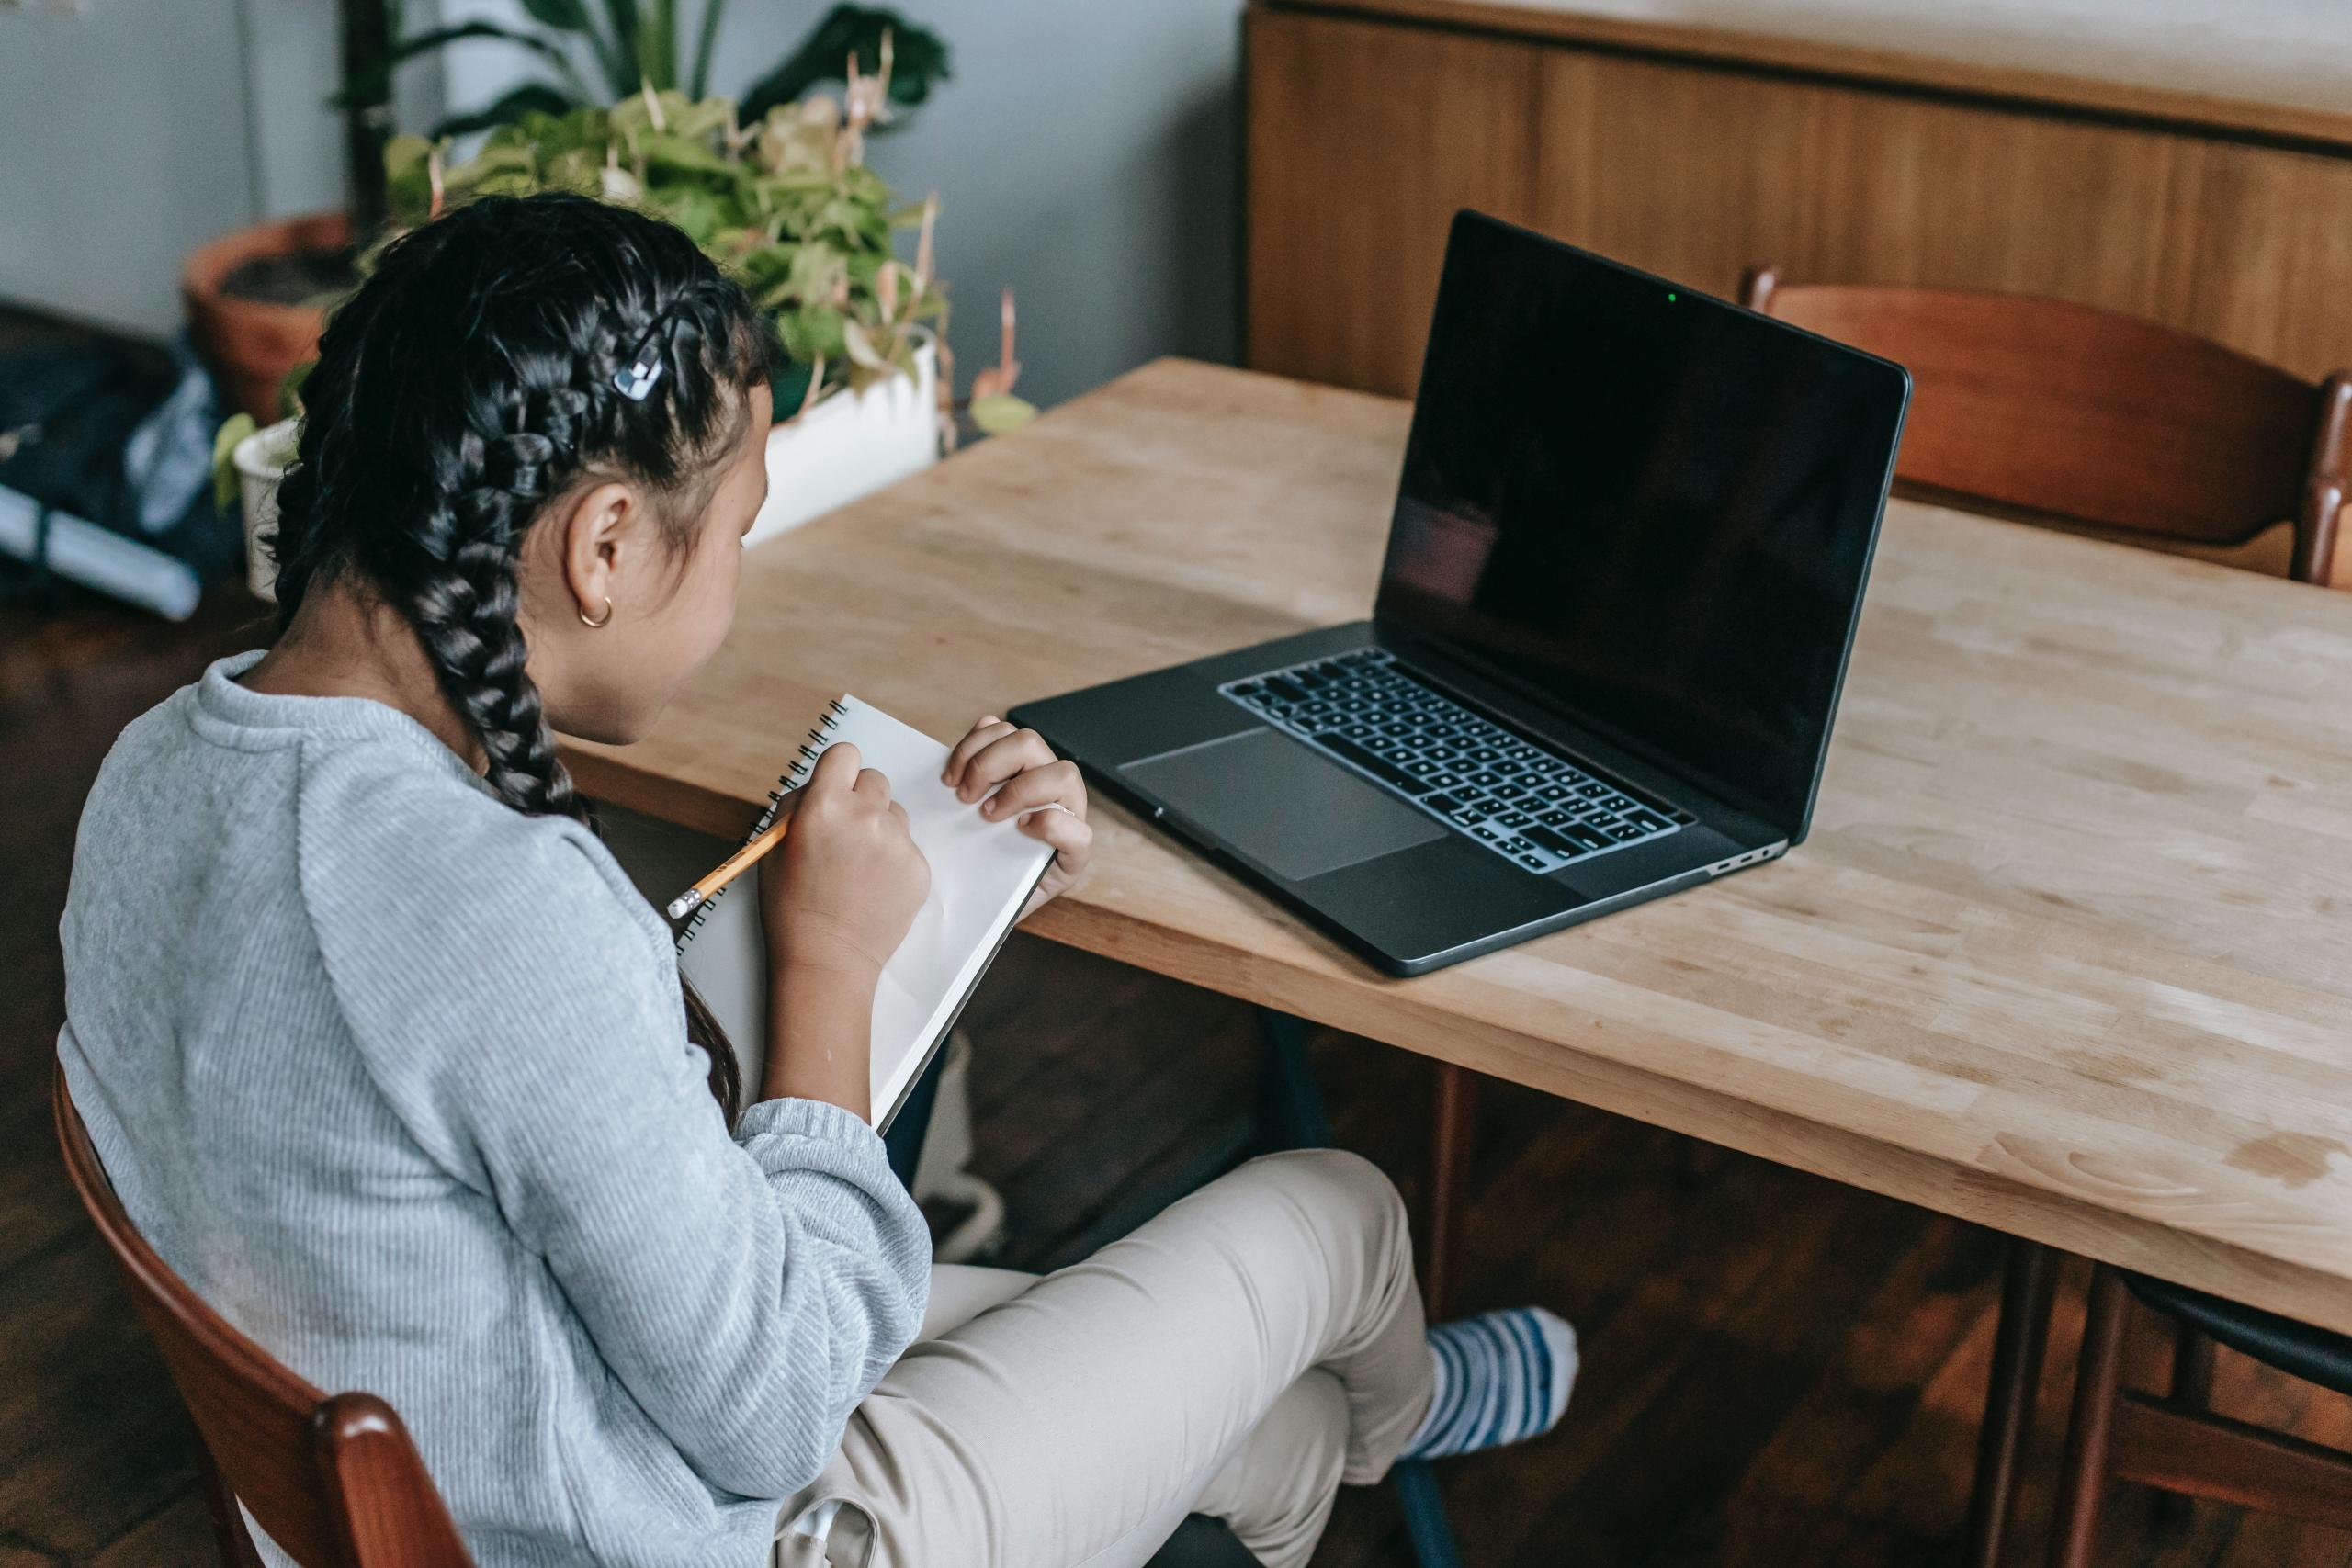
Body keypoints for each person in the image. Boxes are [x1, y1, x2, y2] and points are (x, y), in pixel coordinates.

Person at [57, 193, 1576, 1568]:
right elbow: (780, 1405)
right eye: (737, 536)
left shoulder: (152, 776)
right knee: (1342, 1215)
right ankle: (1409, 1411)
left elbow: (498, 1085)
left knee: (1269, 1431)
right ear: (600, 547)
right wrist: (836, 968)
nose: (733, 588)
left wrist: (938, 904)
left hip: (501, 1446)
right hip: (688, 1521)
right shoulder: (496, 910)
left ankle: (1334, 1451)